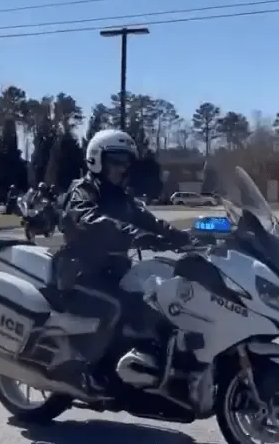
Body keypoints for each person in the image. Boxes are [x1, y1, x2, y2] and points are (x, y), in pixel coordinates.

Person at [50, 129, 192, 393]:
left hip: (112, 273)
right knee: (115, 307)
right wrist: (136, 235)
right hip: (80, 274)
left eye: (126, 162)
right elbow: (89, 220)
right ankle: (88, 372)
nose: (122, 168)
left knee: (155, 302)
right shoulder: (82, 192)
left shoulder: (123, 198)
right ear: (97, 160)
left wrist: (182, 237)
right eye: (116, 161)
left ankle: (146, 370)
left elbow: (151, 221)